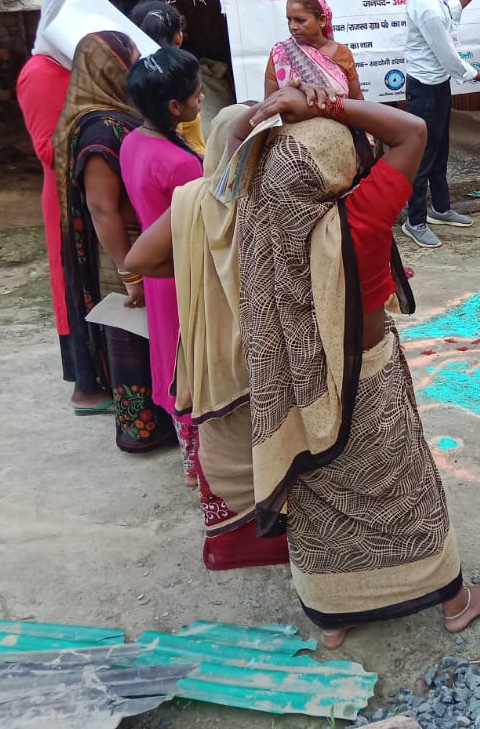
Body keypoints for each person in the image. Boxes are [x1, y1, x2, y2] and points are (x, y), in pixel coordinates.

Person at [235, 84, 480, 647]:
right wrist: (326, 105)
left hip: (302, 389)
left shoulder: (260, 225)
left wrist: (266, 124)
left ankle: (334, 618)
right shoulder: (361, 214)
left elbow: (233, 151)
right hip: (368, 377)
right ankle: (455, 602)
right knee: (404, 489)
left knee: (319, 496)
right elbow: (413, 132)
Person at [125, 104, 291, 572]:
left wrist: (191, 264)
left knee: (226, 439)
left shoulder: (196, 200)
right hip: (269, 340)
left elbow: (137, 259)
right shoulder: (276, 198)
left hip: (214, 344)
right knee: (271, 438)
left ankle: (232, 541)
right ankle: (264, 535)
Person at [53, 32, 175, 453]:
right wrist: (130, 271)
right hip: (120, 249)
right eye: (131, 60)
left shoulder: (112, 119)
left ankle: (164, 423)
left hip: (132, 246)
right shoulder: (99, 131)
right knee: (132, 336)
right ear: (110, 69)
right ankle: (143, 431)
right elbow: (102, 208)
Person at [16, 0, 110, 413]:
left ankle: (103, 376)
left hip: (88, 188)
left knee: (94, 281)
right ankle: (85, 387)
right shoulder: (40, 72)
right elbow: (48, 148)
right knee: (74, 283)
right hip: (66, 197)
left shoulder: (71, 67)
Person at [119, 47, 205, 481]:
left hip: (157, 277)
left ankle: (190, 460)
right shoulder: (181, 164)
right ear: (174, 106)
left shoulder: (133, 142)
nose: (201, 98)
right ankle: (204, 467)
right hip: (182, 274)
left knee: (172, 361)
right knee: (195, 365)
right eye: (197, 93)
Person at [401, 0, 480, 249]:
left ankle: (441, 209)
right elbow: (447, 55)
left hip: (437, 85)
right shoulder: (426, 3)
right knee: (423, 156)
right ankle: (415, 221)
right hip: (425, 90)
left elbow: (446, 16)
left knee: (440, 149)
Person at [130, 0, 206, 155]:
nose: (201, 97)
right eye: (197, 94)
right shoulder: (182, 79)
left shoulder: (132, 78)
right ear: (178, 38)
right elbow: (196, 150)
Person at [263, 0, 363, 102]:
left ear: (322, 21)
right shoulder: (280, 54)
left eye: (300, 20)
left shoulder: (342, 53)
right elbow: (269, 103)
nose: (292, 26)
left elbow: (357, 101)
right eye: (289, 20)